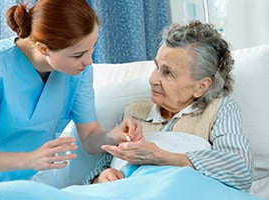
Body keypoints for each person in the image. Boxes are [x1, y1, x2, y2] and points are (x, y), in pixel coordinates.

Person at [0, 0, 143, 188]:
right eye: (78, 54)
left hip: (30, 185)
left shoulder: (79, 72)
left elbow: (90, 138)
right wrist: (30, 160)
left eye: (92, 48)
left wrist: (113, 135)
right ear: (43, 48)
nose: (89, 61)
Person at [84, 21, 254, 192]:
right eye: (157, 67)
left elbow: (240, 170)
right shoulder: (133, 111)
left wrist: (162, 157)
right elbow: (103, 167)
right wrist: (102, 177)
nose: (153, 80)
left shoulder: (219, 109)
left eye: (167, 73)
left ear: (201, 86)